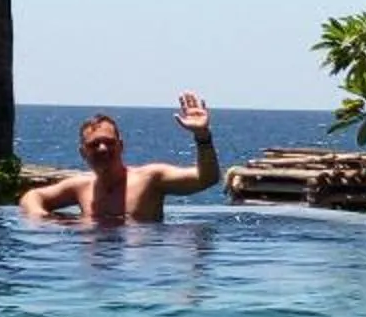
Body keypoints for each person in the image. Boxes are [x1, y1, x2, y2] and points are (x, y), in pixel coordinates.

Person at [18, 94, 219, 224]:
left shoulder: (150, 179)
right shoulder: (80, 187)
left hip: (139, 271)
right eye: (94, 144)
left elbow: (207, 178)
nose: (102, 148)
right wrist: (42, 218)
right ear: (83, 153)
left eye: (109, 142)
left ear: (121, 146)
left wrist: (202, 136)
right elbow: (31, 197)